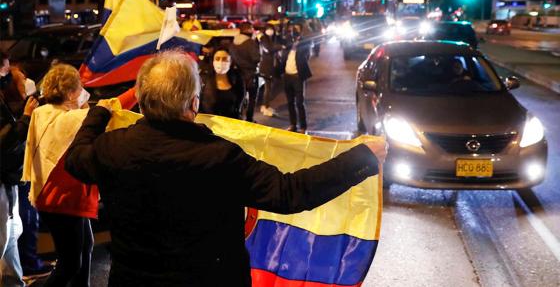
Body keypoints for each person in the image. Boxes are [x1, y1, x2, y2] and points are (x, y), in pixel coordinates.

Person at [64, 50, 387, 287]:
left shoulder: (112, 148)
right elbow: (291, 193)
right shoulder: (219, 157)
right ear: (193, 104)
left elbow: (75, 158)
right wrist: (362, 158)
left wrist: (99, 115)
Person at [22, 64, 97, 287]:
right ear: (71, 92)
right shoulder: (69, 119)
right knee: (70, 263)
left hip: (56, 195)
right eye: (79, 87)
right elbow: (101, 116)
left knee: (86, 246)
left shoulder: (42, 112)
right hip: (61, 198)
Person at [1, 51, 38, 287]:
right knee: (4, 235)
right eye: (4, 70)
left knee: (12, 233)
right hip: (2, 178)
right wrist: (25, 118)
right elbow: (4, 139)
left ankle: (14, 281)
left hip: (8, 177)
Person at [281, 23, 312, 133]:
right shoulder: (288, 41)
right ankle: (293, 124)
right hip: (287, 76)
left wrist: (297, 43)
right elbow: (282, 53)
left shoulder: (305, 42)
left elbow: (306, 54)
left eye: (296, 29)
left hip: (297, 77)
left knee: (299, 103)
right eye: (292, 29)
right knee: (290, 102)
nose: (294, 31)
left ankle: (303, 127)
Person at [199, 48, 244, 119]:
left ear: (230, 61)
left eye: (224, 59)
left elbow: (240, 100)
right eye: (217, 58)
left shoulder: (236, 78)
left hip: (230, 124)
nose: (220, 62)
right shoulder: (204, 79)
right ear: (213, 61)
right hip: (209, 123)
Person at [229, 22, 260, 122]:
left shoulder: (233, 42)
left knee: (240, 97)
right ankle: (249, 118)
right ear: (248, 29)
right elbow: (257, 58)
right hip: (250, 75)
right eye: (251, 28)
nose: (253, 30)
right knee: (252, 98)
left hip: (238, 75)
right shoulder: (250, 42)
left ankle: (238, 117)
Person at [258, 24, 283, 117]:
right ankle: (265, 106)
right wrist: (280, 47)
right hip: (266, 67)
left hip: (271, 66)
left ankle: (266, 105)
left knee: (270, 87)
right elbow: (269, 49)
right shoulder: (263, 39)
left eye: (271, 29)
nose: (270, 31)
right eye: (268, 29)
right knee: (268, 88)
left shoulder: (273, 39)